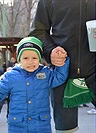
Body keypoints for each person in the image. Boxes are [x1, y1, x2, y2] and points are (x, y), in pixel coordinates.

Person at [0, 36, 70, 133]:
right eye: (26, 58)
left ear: (39, 59)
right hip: (18, 126)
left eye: (34, 58)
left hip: (40, 126)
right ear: (19, 60)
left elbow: (59, 77)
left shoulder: (45, 74)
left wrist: (62, 61)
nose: (30, 62)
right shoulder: (11, 77)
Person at [29, 0, 96, 132]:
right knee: (65, 130)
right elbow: (38, 32)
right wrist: (50, 51)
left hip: (93, 70)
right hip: (61, 73)